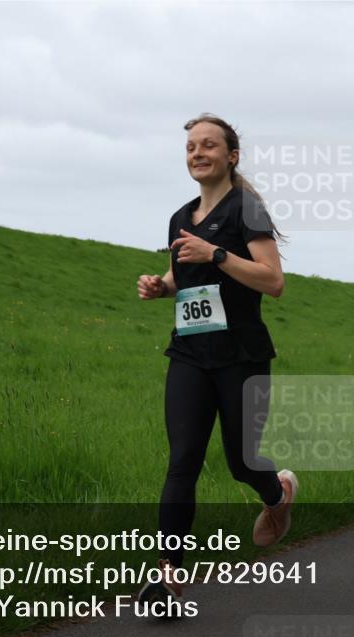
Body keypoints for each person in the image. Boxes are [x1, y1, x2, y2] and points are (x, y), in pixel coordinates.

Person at [134, 114, 297, 608]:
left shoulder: (246, 210)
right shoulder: (180, 217)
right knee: (182, 460)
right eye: (190, 147)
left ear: (232, 156)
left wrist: (217, 254)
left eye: (208, 145)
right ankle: (168, 577)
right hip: (189, 353)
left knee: (242, 462)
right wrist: (161, 286)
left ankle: (277, 494)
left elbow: (273, 281)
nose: (197, 153)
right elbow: (183, 276)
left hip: (241, 357)